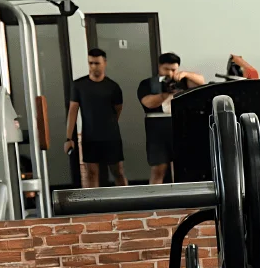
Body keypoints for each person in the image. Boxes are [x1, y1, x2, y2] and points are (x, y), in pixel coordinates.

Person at [138, 53, 206, 184]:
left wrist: (185, 74)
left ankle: (183, 200)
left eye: (173, 69)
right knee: (158, 167)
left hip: (180, 124)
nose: (170, 73)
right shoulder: (148, 83)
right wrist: (165, 93)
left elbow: (202, 82)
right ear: (159, 67)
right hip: (156, 126)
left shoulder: (184, 81)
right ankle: (154, 202)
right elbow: (148, 102)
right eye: (166, 69)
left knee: (182, 166)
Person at [64, 49, 127, 188]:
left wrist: (109, 125)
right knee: (91, 173)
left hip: (111, 135)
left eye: (97, 63)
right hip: (90, 136)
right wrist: (69, 138)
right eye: (90, 63)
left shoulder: (113, 87)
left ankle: (127, 204)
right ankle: (95, 207)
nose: (93, 66)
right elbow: (73, 111)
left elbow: (118, 109)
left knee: (118, 172)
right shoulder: (79, 85)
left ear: (104, 63)